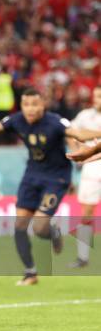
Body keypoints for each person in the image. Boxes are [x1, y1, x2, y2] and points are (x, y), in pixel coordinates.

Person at [0, 88, 101, 286]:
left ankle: (52, 231)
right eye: (26, 105)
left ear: (43, 106)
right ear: (21, 106)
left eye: (35, 104)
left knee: (40, 227)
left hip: (56, 178)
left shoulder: (55, 122)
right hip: (32, 175)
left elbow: (78, 133)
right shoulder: (16, 120)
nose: (30, 109)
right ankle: (30, 272)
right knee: (20, 224)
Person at [67, 86, 101, 268]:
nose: (98, 99)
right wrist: (76, 151)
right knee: (87, 212)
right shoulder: (85, 116)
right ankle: (83, 257)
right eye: (96, 95)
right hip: (92, 165)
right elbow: (69, 132)